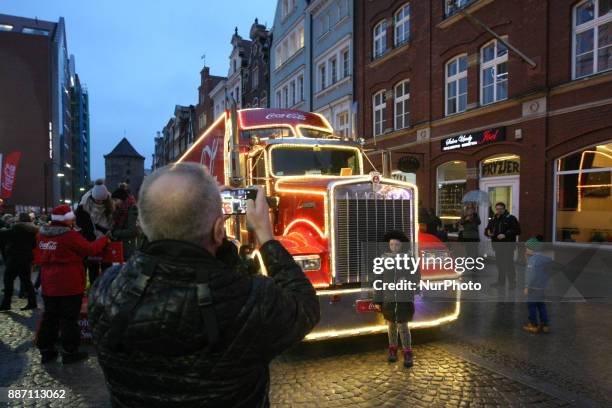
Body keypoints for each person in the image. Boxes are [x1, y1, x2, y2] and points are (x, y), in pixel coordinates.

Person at [88, 163, 320, 407]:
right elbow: (305, 305)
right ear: (220, 230)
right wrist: (265, 235)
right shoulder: (250, 300)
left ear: (141, 226)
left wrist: (190, 212)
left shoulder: (105, 291)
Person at [35, 205, 108, 364]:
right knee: (69, 318)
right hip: (69, 281)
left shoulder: (41, 235)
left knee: (50, 317)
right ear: (66, 219)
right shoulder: (68, 235)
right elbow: (89, 249)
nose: (73, 219)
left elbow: (38, 256)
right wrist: (103, 240)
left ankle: (46, 350)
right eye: (71, 217)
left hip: (49, 282)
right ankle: (70, 351)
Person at [374, 230, 420, 368]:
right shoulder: (382, 260)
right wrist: (377, 300)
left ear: (402, 245)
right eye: (391, 244)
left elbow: (416, 277)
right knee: (391, 326)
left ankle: (407, 352)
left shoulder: (410, 259)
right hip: (388, 298)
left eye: (397, 245)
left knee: (403, 326)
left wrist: (408, 280)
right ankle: (392, 350)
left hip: (403, 298)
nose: (394, 247)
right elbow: (378, 281)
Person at [76, 179, 114, 284]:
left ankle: (105, 288)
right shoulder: (84, 204)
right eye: (97, 200)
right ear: (93, 197)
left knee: (107, 266)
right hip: (90, 239)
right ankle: (93, 288)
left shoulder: (109, 203)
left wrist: (108, 231)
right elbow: (80, 223)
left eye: (102, 200)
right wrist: (94, 230)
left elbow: (112, 220)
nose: (99, 202)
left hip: (105, 238)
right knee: (93, 266)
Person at [0, 213, 38, 311]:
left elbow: (4, 234)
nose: (15, 217)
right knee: (26, 281)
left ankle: (6, 304)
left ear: (21, 219)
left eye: (17, 216)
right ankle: (32, 302)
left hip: (15, 258)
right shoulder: (31, 230)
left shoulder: (17, 228)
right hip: (26, 258)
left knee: (8, 279)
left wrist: (3, 229)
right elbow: (34, 245)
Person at [485, 202, 521, 288]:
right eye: (497, 209)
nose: (498, 211)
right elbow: (487, 229)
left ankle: (512, 282)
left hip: (508, 246)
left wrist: (505, 234)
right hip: (497, 246)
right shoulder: (494, 219)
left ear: (504, 209)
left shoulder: (510, 218)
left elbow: (518, 230)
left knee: (509, 264)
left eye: (500, 209)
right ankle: (501, 282)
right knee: (500, 264)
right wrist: (488, 233)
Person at [523, 236, 553, 334]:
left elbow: (530, 275)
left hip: (533, 288)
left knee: (531, 305)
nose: (526, 250)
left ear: (532, 249)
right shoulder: (545, 259)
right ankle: (545, 325)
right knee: (541, 305)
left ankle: (533, 324)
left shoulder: (532, 261)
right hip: (542, 287)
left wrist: (527, 286)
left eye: (527, 248)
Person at [110, 187, 139, 260]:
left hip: (129, 249)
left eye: (116, 200)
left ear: (122, 199)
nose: (115, 202)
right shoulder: (121, 210)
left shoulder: (132, 209)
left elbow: (133, 231)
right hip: (122, 247)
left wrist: (114, 232)